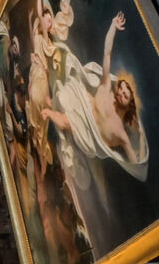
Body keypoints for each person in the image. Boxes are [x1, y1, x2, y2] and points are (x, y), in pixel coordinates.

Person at [42, 11, 148, 183]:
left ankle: (49, 112)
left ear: (130, 104)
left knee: (66, 121)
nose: (120, 94)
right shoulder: (106, 88)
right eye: (121, 90)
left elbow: (137, 166)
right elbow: (107, 53)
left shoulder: (121, 133)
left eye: (125, 95)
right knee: (66, 91)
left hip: (88, 131)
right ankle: (53, 104)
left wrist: (141, 137)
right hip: (83, 102)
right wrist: (113, 26)